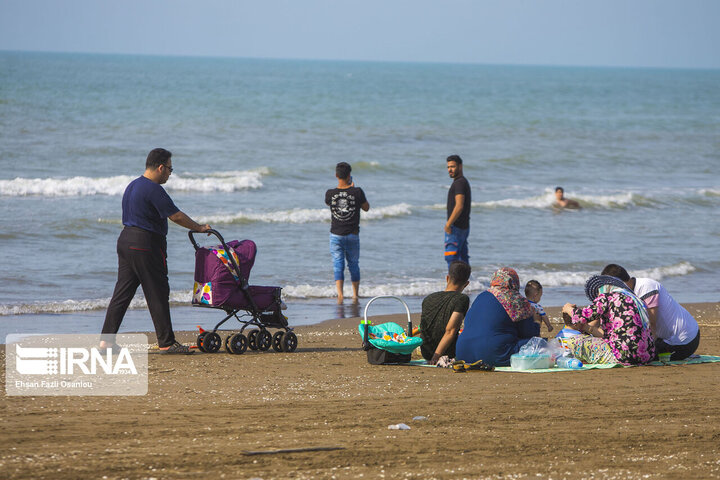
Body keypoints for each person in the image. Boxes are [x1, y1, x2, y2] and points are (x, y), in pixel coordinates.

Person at [100, 148, 211, 354]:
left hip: (125, 241)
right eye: (170, 169)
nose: (170, 173)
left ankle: (106, 342)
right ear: (160, 167)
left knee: (122, 294)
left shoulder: (132, 185)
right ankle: (167, 342)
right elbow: (176, 216)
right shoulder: (154, 189)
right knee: (158, 293)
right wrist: (199, 227)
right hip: (146, 244)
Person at [601, 264, 700, 360]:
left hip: (684, 341)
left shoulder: (646, 287)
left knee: (634, 355)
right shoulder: (627, 294)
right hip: (667, 338)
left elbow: (651, 325)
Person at [562, 275, 655, 365]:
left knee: (573, 340)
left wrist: (568, 309)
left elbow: (582, 316)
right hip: (646, 356)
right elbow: (611, 335)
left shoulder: (607, 297)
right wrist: (586, 327)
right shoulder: (634, 299)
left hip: (624, 355)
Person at [455, 268, 539, 367]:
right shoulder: (516, 299)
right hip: (493, 354)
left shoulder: (481, 296)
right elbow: (530, 335)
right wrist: (536, 320)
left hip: (463, 353)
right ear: (514, 282)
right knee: (539, 344)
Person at [325, 162, 369, 304]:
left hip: (336, 234)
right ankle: (355, 295)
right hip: (352, 234)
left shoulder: (330, 193)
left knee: (338, 264)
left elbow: (328, 204)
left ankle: (340, 295)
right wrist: (353, 189)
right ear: (349, 175)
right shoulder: (357, 192)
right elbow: (366, 208)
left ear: (336, 175)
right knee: (354, 264)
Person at [419, 261, 471, 365]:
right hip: (446, 353)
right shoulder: (462, 299)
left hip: (425, 352)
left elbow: (424, 328)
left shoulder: (428, 298)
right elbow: (450, 331)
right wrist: (436, 356)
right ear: (466, 284)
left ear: (447, 278)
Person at [444, 155, 471, 268]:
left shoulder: (459, 183)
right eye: (448, 167)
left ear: (460, 166)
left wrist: (448, 224)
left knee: (452, 258)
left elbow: (459, 206)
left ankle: (454, 284)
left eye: (453, 166)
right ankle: (466, 282)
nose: (450, 170)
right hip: (463, 226)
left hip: (456, 227)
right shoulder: (462, 182)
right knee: (463, 258)